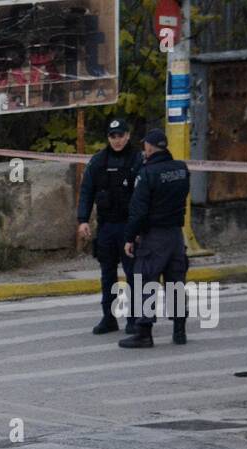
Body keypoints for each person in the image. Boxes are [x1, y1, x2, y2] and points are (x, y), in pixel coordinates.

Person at [121, 127, 191, 349]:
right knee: (176, 282)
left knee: (145, 282)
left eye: (145, 145)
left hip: (154, 236)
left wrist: (130, 237)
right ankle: (179, 331)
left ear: (149, 147)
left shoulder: (147, 173)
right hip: (175, 236)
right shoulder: (181, 169)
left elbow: (138, 211)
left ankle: (144, 333)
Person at [76, 118, 143, 334]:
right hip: (106, 226)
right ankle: (109, 317)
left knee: (134, 275)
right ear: (108, 138)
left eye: (121, 135)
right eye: (113, 136)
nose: (117, 140)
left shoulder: (137, 159)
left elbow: (145, 195)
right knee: (107, 275)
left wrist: (141, 228)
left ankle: (135, 319)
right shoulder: (99, 161)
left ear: (128, 135)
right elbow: (87, 191)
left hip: (129, 226)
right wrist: (83, 219)